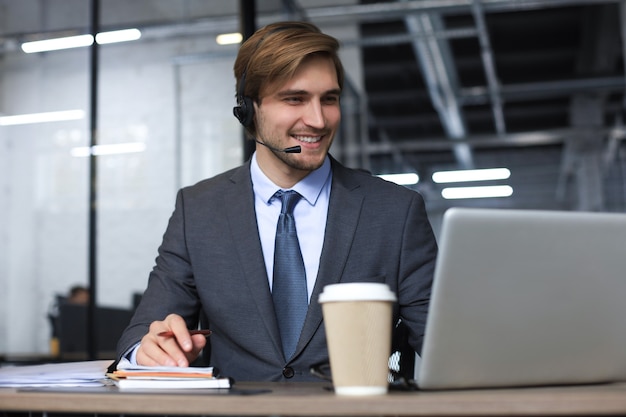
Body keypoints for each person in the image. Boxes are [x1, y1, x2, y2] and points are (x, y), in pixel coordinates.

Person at [115, 21, 437, 382]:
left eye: (329, 99)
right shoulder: (199, 210)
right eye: (295, 99)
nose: (317, 120)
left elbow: (446, 342)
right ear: (249, 109)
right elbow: (141, 336)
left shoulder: (394, 211)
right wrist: (149, 350)